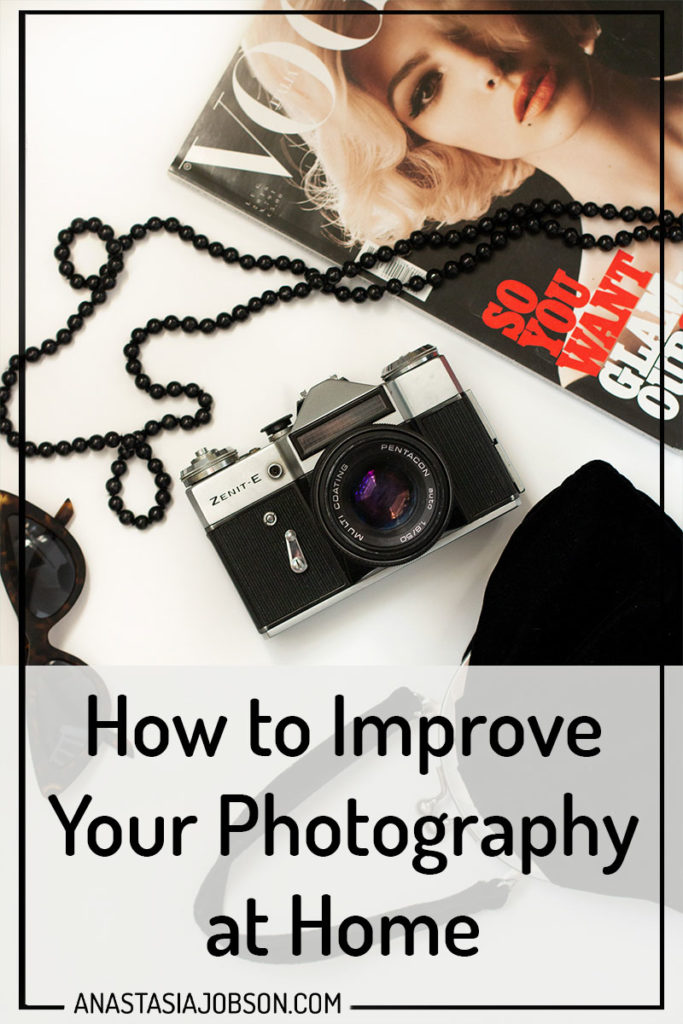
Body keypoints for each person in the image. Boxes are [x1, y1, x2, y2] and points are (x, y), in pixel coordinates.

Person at [244, 0, 681, 386]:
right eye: (426, 88)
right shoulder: (608, 351)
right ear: (417, 148)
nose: (485, 67)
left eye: (456, 8)